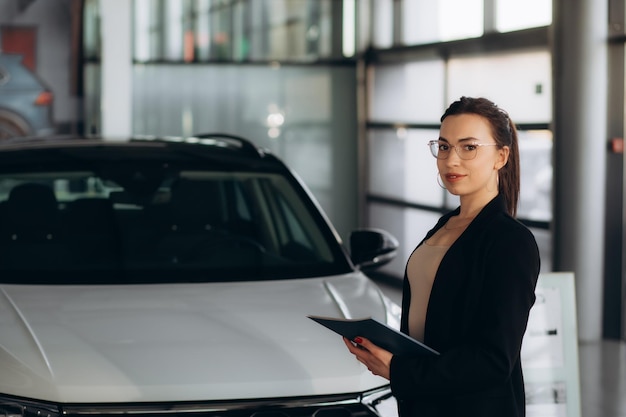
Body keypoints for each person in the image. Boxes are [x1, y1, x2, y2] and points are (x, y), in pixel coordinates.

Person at [343, 96, 541, 417]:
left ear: (501, 157)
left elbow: (493, 360)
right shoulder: (444, 226)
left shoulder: (511, 242)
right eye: (445, 146)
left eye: (469, 147)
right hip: (425, 405)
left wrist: (399, 370)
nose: (451, 160)